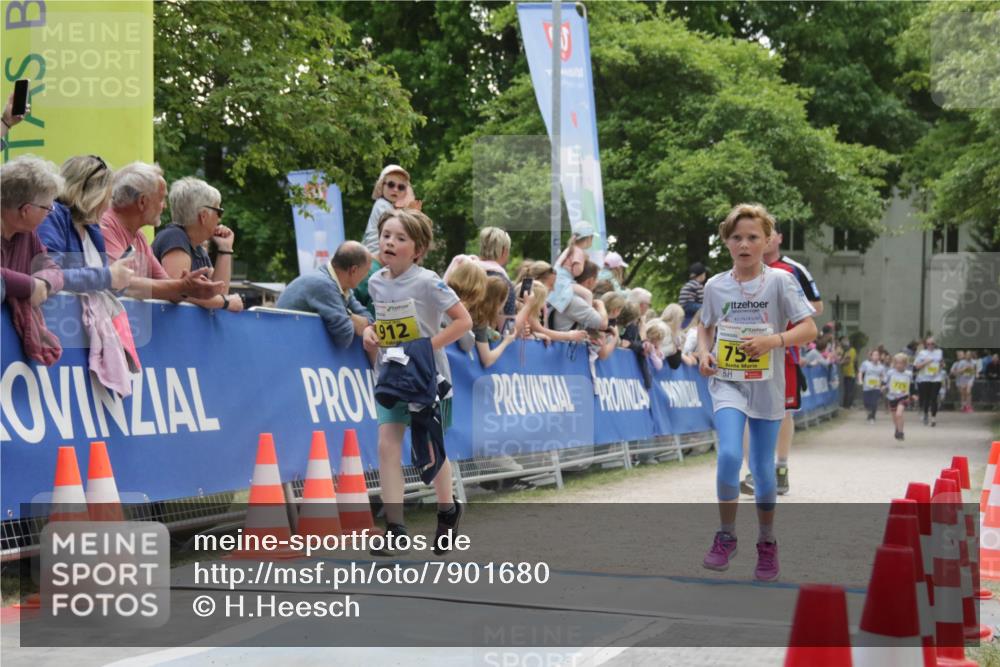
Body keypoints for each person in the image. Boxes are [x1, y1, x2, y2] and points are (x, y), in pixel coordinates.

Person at [698, 203, 816, 582]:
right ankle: (726, 535)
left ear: (768, 240)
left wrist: (773, 341)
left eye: (753, 237)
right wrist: (703, 352)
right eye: (737, 237)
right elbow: (705, 326)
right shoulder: (716, 285)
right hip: (729, 382)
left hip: (767, 386)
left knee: (763, 472)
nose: (745, 244)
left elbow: (809, 329)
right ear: (726, 242)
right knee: (730, 454)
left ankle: (766, 541)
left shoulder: (781, 281)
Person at [361, 208, 472, 556]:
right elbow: (384, 325)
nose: (390, 242)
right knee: (386, 445)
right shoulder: (376, 281)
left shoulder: (428, 282)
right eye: (386, 235)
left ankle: (447, 509)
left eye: (400, 238)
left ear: (418, 249)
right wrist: (371, 332)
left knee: (430, 451)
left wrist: (426, 347)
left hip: (428, 379)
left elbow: (463, 321)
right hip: (392, 376)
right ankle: (396, 528)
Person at [37, 155, 141, 396]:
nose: (108, 206)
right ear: (91, 192)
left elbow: (101, 286)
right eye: (108, 196)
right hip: (57, 335)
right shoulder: (53, 216)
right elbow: (50, 274)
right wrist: (107, 276)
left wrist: (119, 280)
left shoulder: (93, 229)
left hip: (82, 339)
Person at [740, 221, 823, 497]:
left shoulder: (792, 270)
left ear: (776, 238)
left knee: (783, 411)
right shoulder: (739, 270)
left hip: (783, 351)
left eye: (765, 233)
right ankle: (753, 471)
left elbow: (816, 308)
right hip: (748, 350)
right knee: (747, 410)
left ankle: (781, 467)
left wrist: (782, 322)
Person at [100, 162, 224, 303]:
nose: (164, 206)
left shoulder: (139, 237)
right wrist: (184, 287)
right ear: (142, 202)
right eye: (161, 199)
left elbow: (169, 288)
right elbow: (121, 282)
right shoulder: (105, 226)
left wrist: (188, 287)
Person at [0, 156, 65, 365]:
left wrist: (43, 284)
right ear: (26, 209)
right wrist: (29, 286)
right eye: (47, 207)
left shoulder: (28, 234)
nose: (49, 213)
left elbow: (53, 268)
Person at [152, 177, 241, 312]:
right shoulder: (174, 237)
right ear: (203, 216)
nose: (220, 218)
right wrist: (226, 303)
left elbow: (219, 293)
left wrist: (225, 249)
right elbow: (178, 291)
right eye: (219, 211)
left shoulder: (197, 248)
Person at [275, 241, 374, 349]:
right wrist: (351, 317)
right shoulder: (323, 285)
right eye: (367, 271)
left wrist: (350, 318)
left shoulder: (343, 286)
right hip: (287, 346)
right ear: (353, 270)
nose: (366, 277)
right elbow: (344, 337)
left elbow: (369, 320)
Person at [356, 165, 411, 312]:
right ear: (381, 186)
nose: (395, 190)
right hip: (376, 260)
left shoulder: (391, 208)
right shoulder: (383, 206)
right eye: (391, 184)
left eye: (401, 187)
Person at [549, 221, 598, 313]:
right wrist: (583, 263)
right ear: (589, 238)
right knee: (588, 294)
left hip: (558, 280)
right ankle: (588, 318)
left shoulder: (570, 249)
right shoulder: (579, 251)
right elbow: (577, 271)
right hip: (564, 282)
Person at [468, 276, 516, 369]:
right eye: (504, 302)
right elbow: (487, 360)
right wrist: (506, 341)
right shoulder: (479, 319)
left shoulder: (472, 309)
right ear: (499, 301)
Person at [550, 260, 608, 334]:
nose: (597, 282)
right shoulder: (575, 301)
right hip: (563, 343)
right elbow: (602, 324)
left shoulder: (565, 293)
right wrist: (600, 304)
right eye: (596, 279)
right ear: (590, 281)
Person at [476, 227, 516, 317]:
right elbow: (508, 326)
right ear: (504, 251)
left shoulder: (464, 273)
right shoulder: (504, 284)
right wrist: (528, 306)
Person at [913, 336, 944, 426]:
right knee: (926, 398)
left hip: (936, 378)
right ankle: (926, 413)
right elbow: (916, 367)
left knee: (934, 398)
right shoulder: (922, 353)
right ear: (926, 345)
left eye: (932, 344)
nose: (930, 345)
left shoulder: (939, 352)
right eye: (928, 344)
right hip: (924, 378)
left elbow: (941, 363)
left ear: (935, 344)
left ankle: (933, 418)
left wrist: (942, 364)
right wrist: (925, 362)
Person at [885, 352, 913, 441]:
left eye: (901, 363)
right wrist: (883, 386)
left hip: (904, 396)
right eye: (897, 363)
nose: (899, 365)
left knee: (899, 413)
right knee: (895, 417)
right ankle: (897, 428)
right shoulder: (890, 372)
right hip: (892, 397)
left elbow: (912, 385)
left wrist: (915, 394)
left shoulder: (908, 374)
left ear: (905, 364)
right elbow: (885, 382)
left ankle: (901, 432)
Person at [859, 349, 886, 424]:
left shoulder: (881, 367)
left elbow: (883, 376)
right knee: (866, 403)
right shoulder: (866, 364)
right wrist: (860, 380)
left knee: (874, 402)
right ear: (871, 356)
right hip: (866, 387)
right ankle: (869, 413)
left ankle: (872, 417)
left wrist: (883, 385)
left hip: (876, 387)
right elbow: (861, 372)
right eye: (874, 355)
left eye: (877, 355)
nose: (876, 357)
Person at [839, 337, 857, 409]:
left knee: (849, 390)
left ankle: (847, 405)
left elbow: (849, 361)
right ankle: (847, 404)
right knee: (848, 390)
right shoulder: (846, 351)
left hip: (850, 373)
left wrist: (841, 362)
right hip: (847, 373)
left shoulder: (851, 351)